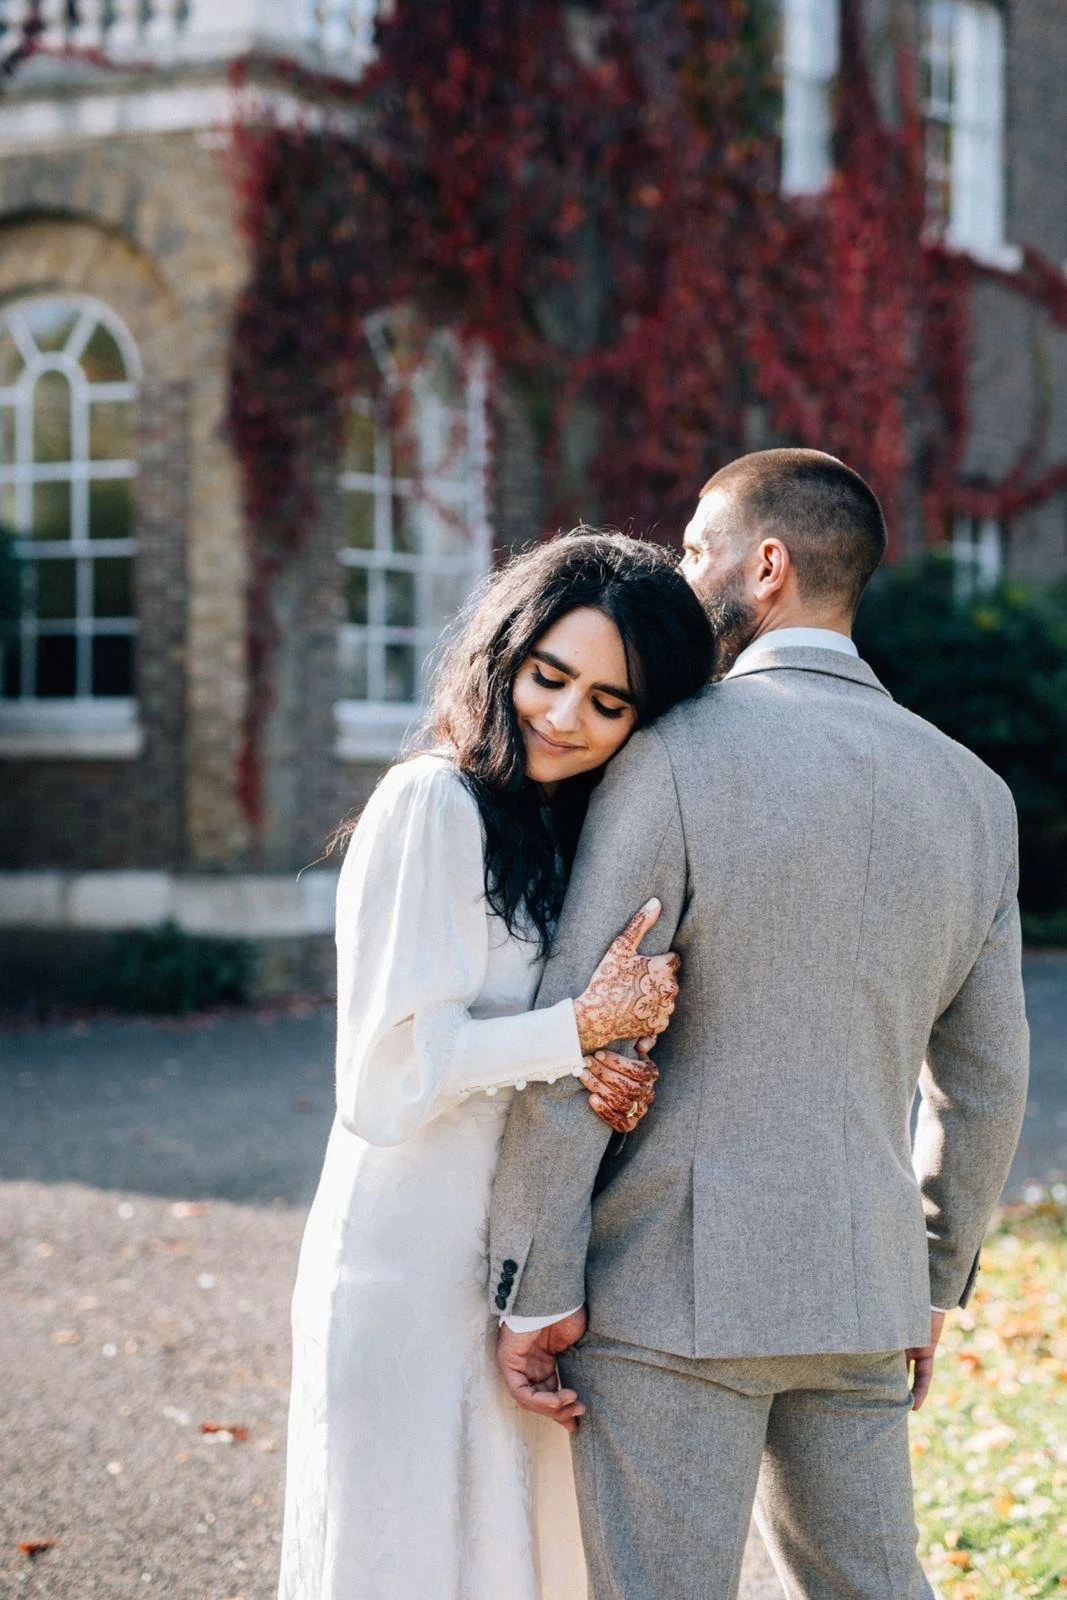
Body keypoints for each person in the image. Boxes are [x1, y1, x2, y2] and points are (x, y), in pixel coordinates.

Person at [490, 449, 1030, 1600]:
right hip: (862, 1290)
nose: (680, 576)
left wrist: (536, 1279)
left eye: (694, 549)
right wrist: (928, 1278)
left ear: (765, 565)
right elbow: (985, 1085)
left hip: (667, 1290)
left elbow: (590, 1026)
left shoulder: (671, 753)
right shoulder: (973, 796)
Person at [277, 531, 715, 1600]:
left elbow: (540, 1040)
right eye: (547, 675)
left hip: (516, 1260)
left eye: (607, 704)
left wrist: (600, 1062)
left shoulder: (557, 826)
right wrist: (575, 1030)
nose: (562, 717)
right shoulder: (431, 802)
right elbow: (384, 1080)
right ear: (503, 654)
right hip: (403, 1259)